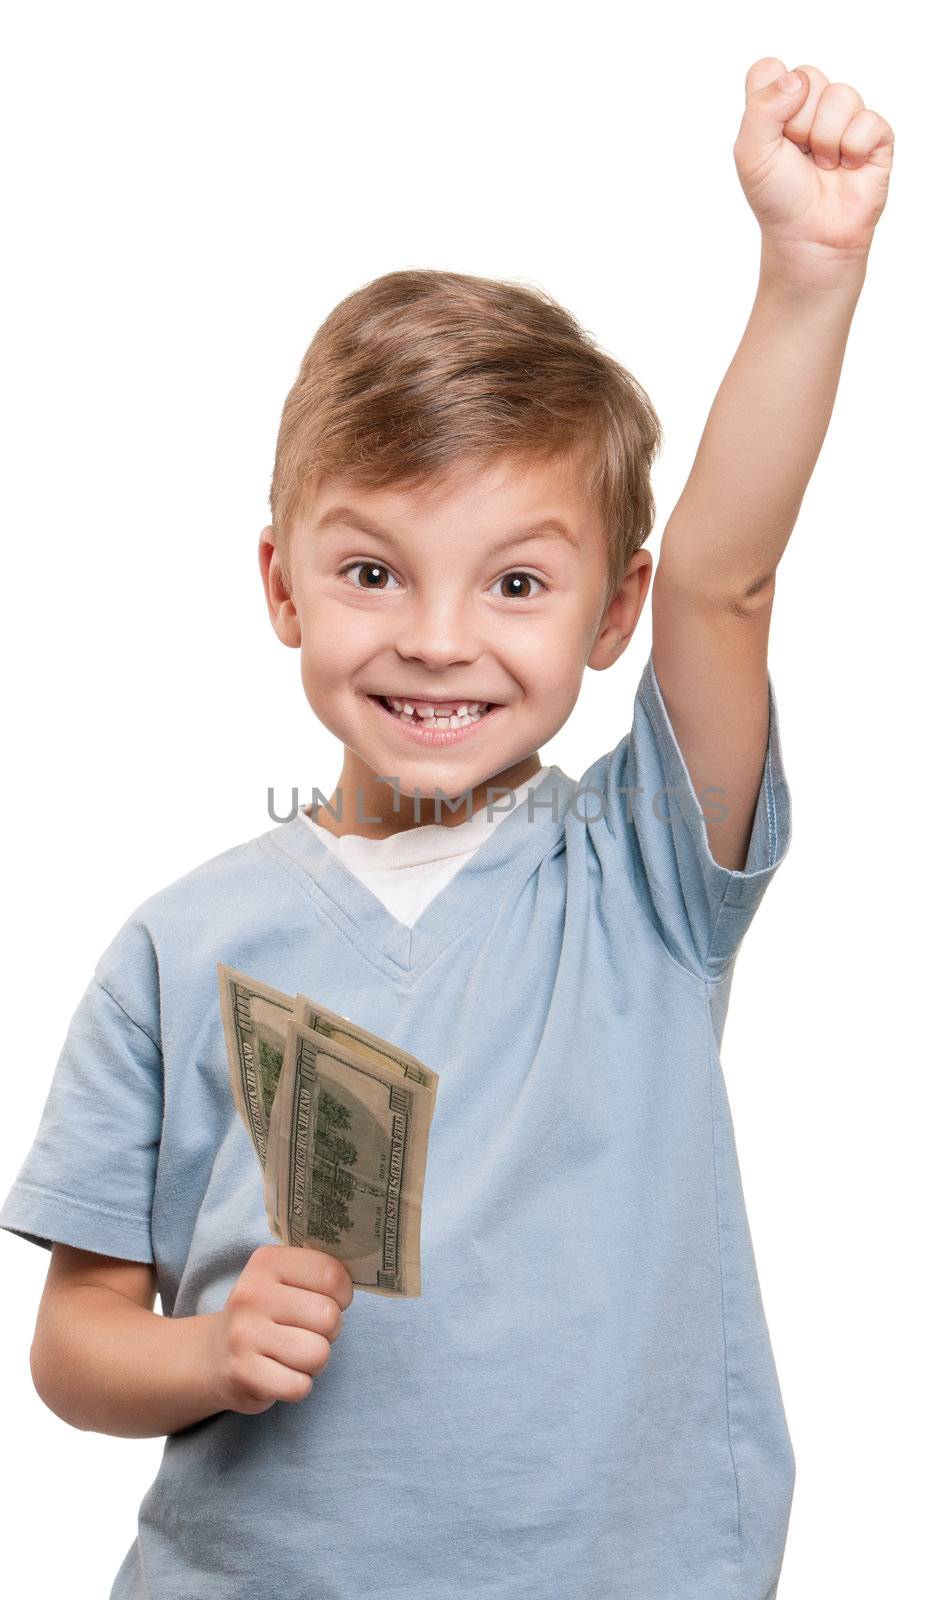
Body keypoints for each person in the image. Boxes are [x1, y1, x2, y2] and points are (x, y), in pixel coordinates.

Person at [0, 56, 893, 1600]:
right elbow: (76, 1346)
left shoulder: (643, 879)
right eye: (372, 573)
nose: (437, 638)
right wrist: (213, 1349)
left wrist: (808, 276)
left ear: (612, 612)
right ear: (280, 584)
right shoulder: (179, 946)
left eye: (517, 583)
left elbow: (724, 580)